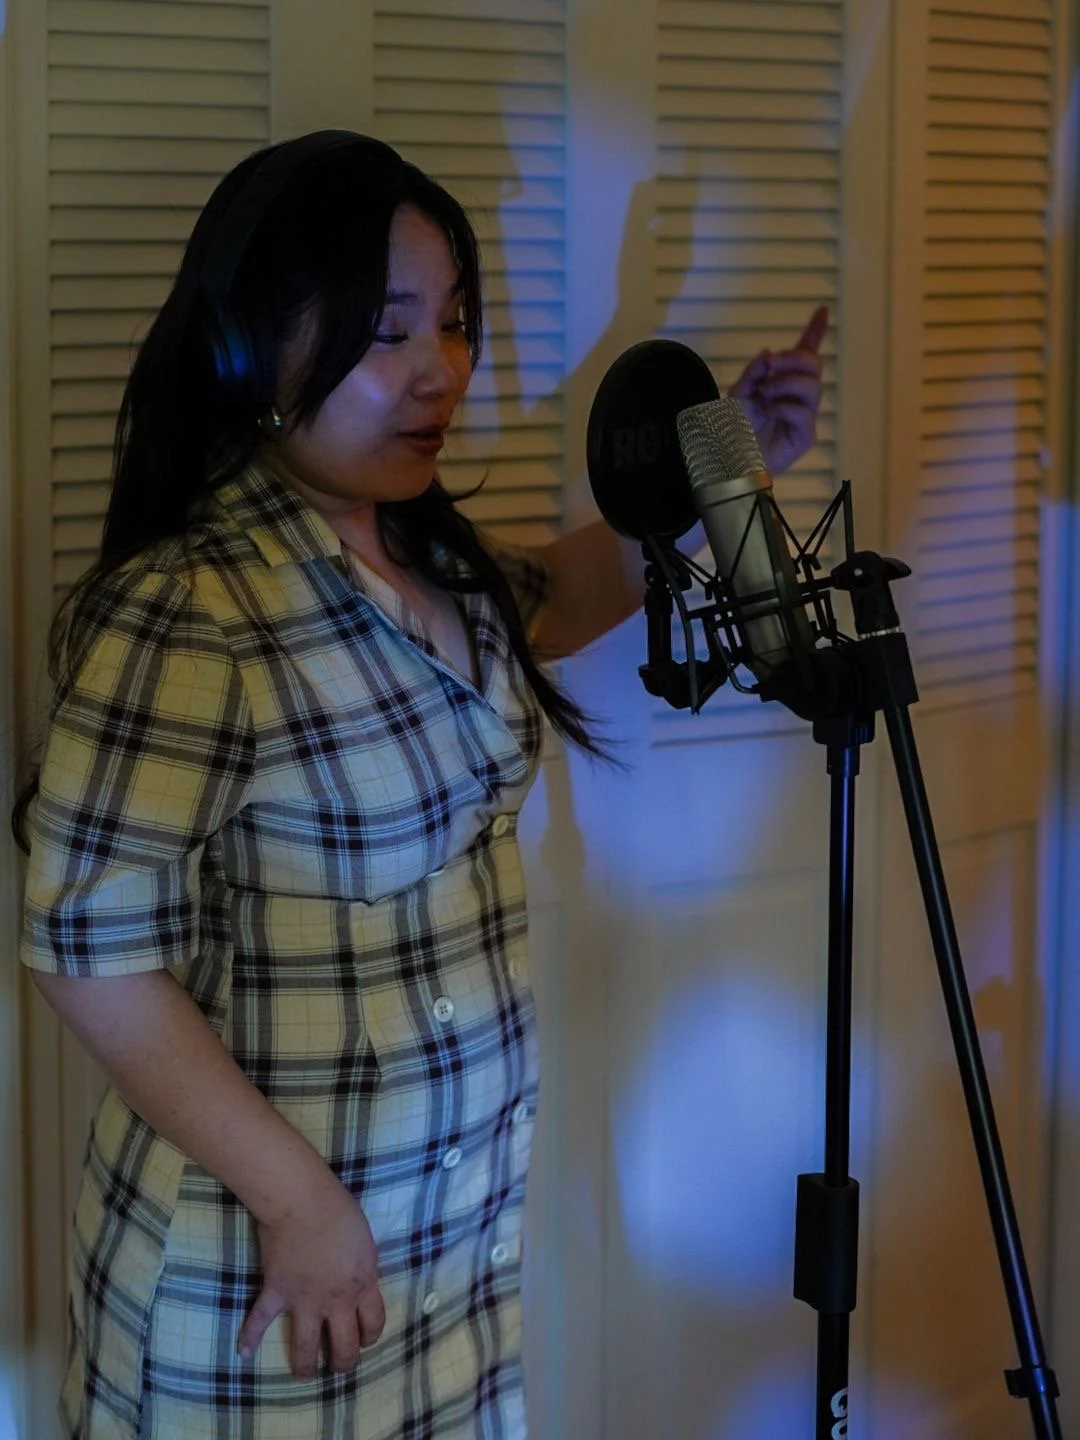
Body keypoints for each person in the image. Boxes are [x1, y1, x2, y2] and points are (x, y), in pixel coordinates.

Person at [17, 130, 827, 1440]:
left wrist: (734, 457)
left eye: (454, 324)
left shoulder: (423, 560)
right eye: (387, 332)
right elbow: (82, 952)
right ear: (264, 341)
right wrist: (301, 1206)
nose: (440, 368)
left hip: (440, 1256)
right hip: (267, 1285)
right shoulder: (187, 609)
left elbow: (556, 599)